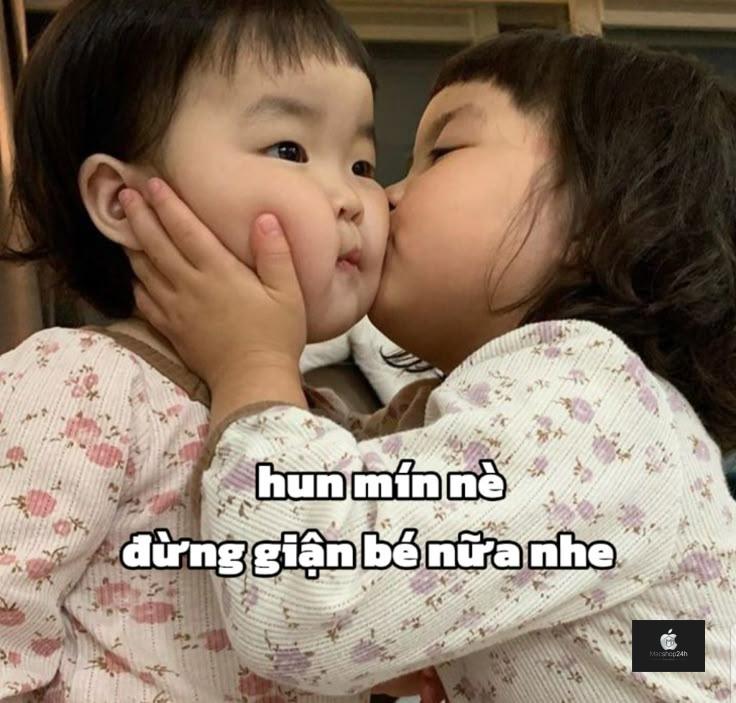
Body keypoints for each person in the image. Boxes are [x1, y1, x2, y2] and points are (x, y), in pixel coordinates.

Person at [122, 30, 736, 701]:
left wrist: (252, 362)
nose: (384, 195)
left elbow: (308, 601)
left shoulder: (588, 405)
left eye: (440, 153)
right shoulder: (541, 409)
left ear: (601, 216)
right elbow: (662, 643)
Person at [0, 0, 427, 699]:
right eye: (289, 150)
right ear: (120, 201)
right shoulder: (79, 382)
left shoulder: (305, 420)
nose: (354, 198)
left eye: (361, 162)